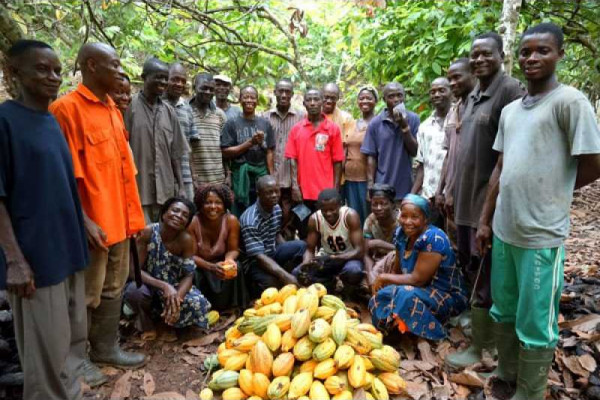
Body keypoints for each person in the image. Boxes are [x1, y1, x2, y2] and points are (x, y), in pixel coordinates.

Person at [477, 23, 600, 399]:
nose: (532, 58)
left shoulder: (570, 102)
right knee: (505, 308)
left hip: (540, 233)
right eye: (526, 52)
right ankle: (507, 372)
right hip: (504, 228)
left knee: (536, 321)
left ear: (559, 54)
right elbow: (500, 167)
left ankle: (529, 391)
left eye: (542, 51)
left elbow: (593, 162)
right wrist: (485, 220)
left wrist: (557, 188)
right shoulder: (513, 110)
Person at [50, 42, 147, 385]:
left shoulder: (111, 109)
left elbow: (123, 170)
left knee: (112, 290)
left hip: (119, 221)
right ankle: (75, 361)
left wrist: (134, 219)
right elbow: (60, 177)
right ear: (92, 66)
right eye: (115, 63)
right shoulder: (66, 110)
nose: (121, 71)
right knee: (84, 296)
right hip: (91, 226)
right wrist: (84, 220)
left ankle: (107, 348)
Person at [0, 39, 89, 400]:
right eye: (41, 69)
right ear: (14, 72)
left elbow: (60, 185)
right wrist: (15, 261)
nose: (52, 77)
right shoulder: (6, 121)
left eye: (56, 70)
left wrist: (86, 224)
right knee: (45, 354)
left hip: (68, 250)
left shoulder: (50, 121)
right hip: (36, 260)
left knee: (71, 342)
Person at [445, 32, 525, 370]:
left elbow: (508, 155)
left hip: (487, 204)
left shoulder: (509, 90)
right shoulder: (472, 95)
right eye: (474, 55)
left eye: (486, 54)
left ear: (501, 55)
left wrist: (487, 216)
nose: (479, 60)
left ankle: (486, 349)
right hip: (464, 201)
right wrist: (448, 190)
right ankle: (479, 336)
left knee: (488, 274)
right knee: (472, 267)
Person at [369, 194, 468, 340]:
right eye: (404, 216)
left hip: (444, 294)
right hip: (415, 290)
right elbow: (397, 270)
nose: (408, 222)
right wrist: (385, 287)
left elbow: (417, 280)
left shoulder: (434, 239)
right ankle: (394, 329)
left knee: (404, 295)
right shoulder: (401, 234)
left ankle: (438, 334)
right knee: (380, 297)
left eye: (414, 217)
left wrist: (383, 277)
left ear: (425, 219)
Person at [124, 197, 211, 340]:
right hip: (148, 283)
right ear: (164, 214)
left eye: (184, 215)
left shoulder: (186, 240)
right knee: (135, 292)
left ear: (187, 223)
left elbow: (189, 275)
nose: (178, 216)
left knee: (197, 302)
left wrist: (177, 298)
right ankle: (147, 325)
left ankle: (169, 325)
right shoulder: (148, 232)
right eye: (175, 211)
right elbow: (134, 270)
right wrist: (164, 286)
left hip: (174, 285)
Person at [125, 57, 190, 223]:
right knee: (142, 240)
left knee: (163, 239)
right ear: (144, 77)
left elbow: (175, 153)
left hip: (165, 191)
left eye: (165, 77)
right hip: (139, 190)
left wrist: (181, 187)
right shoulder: (129, 107)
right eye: (158, 77)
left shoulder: (169, 112)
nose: (163, 82)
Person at [240, 175, 306, 297]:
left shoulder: (276, 208)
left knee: (301, 246)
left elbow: (276, 234)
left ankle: (293, 275)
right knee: (274, 285)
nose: (274, 195)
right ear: (258, 194)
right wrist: (284, 275)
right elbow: (259, 257)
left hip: (271, 253)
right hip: (255, 262)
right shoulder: (250, 220)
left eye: (277, 191)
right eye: (269, 193)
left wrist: (287, 252)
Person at [435, 58, 477, 248]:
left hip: (473, 194)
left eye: (457, 77)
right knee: (456, 245)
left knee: (475, 248)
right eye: (450, 79)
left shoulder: (479, 109)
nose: (453, 83)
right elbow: (448, 156)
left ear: (473, 74)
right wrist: (441, 190)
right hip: (452, 194)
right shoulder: (454, 111)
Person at [188, 184, 249, 310]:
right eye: (208, 202)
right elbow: (190, 256)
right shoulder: (193, 222)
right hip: (201, 266)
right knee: (192, 272)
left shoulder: (231, 220)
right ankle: (202, 310)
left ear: (225, 205)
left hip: (221, 264)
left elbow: (233, 249)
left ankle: (233, 308)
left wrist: (229, 260)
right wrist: (211, 267)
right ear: (200, 204)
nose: (213, 207)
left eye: (218, 203)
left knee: (237, 267)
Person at [295, 189, 365, 295]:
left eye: (332, 209)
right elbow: (310, 249)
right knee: (297, 273)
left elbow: (360, 251)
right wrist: (305, 264)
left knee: (353, 271)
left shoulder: (350, 216)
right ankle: (330, 283)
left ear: (340, 206)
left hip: (349, 258)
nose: (328, 213)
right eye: (324, 210)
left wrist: (334, 258)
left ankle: (349, 294)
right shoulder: (314, 219)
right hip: (326, 259)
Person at [285, 88, 344, 213]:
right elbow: (292, 160)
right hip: (303, 191)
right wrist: (295, 186)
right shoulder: (296, 129)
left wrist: (335, 189)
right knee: (305, 229)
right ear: (304, 103)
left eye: (316, 99)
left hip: (326, 193)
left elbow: (338, 161)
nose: (312, 103)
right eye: (309, 100)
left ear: (322, 102)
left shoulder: (333, 129)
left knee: (325, 228)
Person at [360, 82, 420, 202]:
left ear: (404, 97)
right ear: (384, 99)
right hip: (382, 187)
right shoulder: (376, 123)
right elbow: (371, 157)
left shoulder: (413, 119)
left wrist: (404, 127)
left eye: (399, 95)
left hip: (405, 186)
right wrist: (370, 187)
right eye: (391, 96)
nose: (396, 100)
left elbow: (414, 151)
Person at [221, 86, 275, 216]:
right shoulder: (231, 123)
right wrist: (250, 142)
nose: (249, 100)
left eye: (252, 97)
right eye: (245, 97)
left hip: (260, 176)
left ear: (257, 101)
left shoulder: (265, 123)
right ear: (240, 100)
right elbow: (225, 152)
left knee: (260, 211)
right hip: (240, 176)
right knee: (239, 211)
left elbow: (269, 151)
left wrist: (271, 175)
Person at [263, 78, 306, 238]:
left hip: (293, 177)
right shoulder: (265, 117)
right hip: (272, 176)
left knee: (292, 216)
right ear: (274, 92)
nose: (283, 94)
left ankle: (290, 250)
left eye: (287, 91)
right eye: (280, 91)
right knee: (272, 215)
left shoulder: (301, 117)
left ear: (292, 94)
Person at [412, 77, 452, 226]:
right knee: (432, 242)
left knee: (454, 245)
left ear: (451, 92)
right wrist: (413, 194)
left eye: (442, 90)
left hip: (452, 197)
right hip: (429, 198)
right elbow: (421, 165)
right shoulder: (425, 127)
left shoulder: (461, 120)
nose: (436, 95)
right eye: (433, 91)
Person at [343, 86, 378, 224]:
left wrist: (372, 182)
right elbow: (345, 149)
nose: (364, 101)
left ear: (375, 100)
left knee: (368, 216)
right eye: (361, 98)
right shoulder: (351, 123)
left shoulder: (377, 122)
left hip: (367, 179)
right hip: (350, 179)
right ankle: (357, 244)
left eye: (369, 98)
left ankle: (370, 244)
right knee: (354, 216)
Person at [165, 62, 196, 201]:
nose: (179, 84)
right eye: (175, 79)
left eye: (183, 81)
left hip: (186, 176)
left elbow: (190, 147)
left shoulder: (187, 109)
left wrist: (193, 176)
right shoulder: (156, 104)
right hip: (163, 177)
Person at [189, 73, 227, 185]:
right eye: (204, 88)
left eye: (211, 89)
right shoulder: (185, 112)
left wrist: (228, 174)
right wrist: (193, 177)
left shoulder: (220, 115)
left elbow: (225, 147)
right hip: (195, 182)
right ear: (194, 88)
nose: (208, 92)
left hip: (218, 179)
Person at [363, 184, 399, 288]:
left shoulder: (402, 221)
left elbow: (406, 252)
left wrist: (380, 244)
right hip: (376, 260)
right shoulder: (370, 221)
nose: (378, 208)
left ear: (392, 205)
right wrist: (370, 273)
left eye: (383, 204)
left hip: (398, 262)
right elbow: (366, 253)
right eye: (375, 204)